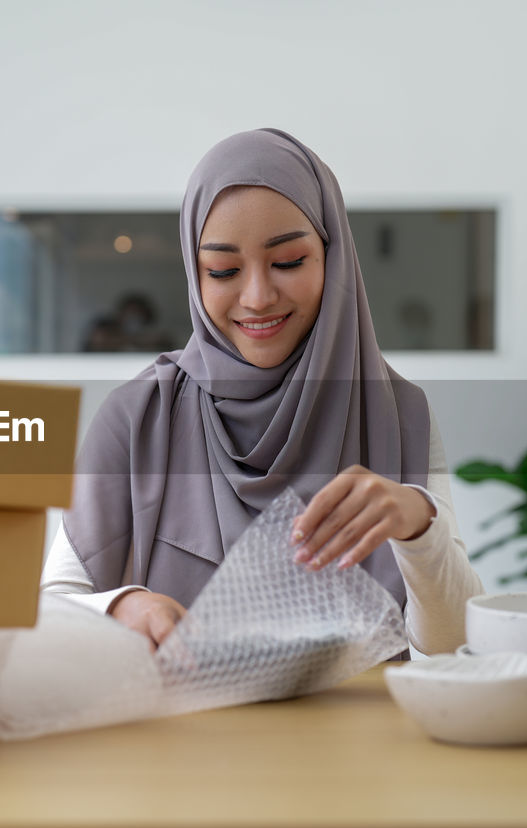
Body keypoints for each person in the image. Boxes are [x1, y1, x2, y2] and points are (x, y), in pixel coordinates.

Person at [41, 129, 483, 655]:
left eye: (289, 262)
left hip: (363, 736)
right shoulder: (138, 418)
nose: (256, 297)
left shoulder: (398, 414)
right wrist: (122, 605)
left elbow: (452, 647)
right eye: (223, 270)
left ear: (332, 257)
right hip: (181, 736)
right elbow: (51, 607)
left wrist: (418, 524)